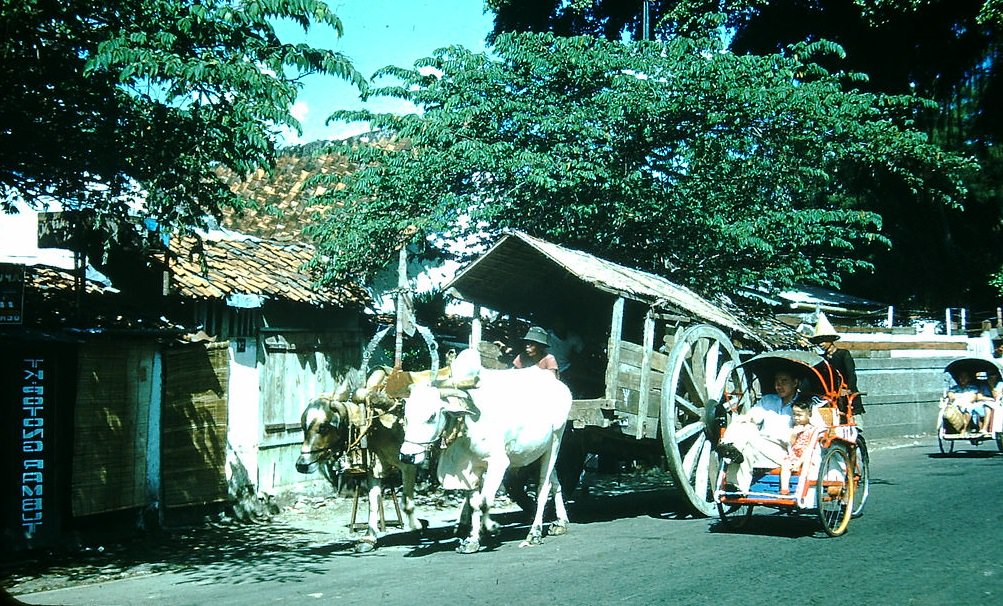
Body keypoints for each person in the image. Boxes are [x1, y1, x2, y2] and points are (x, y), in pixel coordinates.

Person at [715, 369, 800, 494]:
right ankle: (736, 486)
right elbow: (752, 416)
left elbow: (816, 428)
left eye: (784, 381)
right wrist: (742, 419)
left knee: (745, 438)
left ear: (795, 383)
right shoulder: (768, 400)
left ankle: (729, 446)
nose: (778, 385)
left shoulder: (803, 405)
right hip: (759, 446)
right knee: (744, 432)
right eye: (776, 381)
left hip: (782, 451)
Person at [810, 312, 865, 416]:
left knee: (853, 420)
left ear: (830, 340)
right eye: (818, 342)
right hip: (832, 396)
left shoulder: (843, 354)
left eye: (823, 340)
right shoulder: (822, 359)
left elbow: (851, 374)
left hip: (846, 393)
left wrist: (847, 389)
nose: (821, 344)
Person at [779, 400, 815, 495]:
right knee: (785, 464)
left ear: (809, 414)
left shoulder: (812, 429)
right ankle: (784, 489)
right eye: (794, 415)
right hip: (795, 454)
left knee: (807, 468)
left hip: (807, 455)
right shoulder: (795, 427)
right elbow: (791, 443)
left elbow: (809, 448)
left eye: (799, 415)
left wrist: (799, 463)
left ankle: (803, 492)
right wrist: (794, 434)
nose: (796, 418)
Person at [946, 369, 992, 434]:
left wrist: (959, 398)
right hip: (956, 405)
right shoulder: (954, 388)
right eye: (961, 377)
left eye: (965, 377)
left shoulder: (973, 388)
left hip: (967, 404)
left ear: (969, 379)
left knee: (969, 407)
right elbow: (951, 396)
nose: (963, 379)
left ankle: (965, 428)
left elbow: (972, 398)